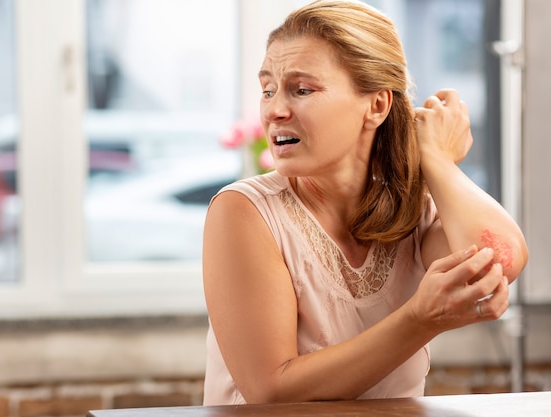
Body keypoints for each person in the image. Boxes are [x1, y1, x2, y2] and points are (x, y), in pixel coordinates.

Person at [201, 0, 528, 406]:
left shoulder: (412, 213)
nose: (275, 111)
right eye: (268, 90)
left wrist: (438, 162)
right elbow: (271, 391)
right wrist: (420, 321)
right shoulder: (244, 211)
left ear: (376, 105)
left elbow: (501, 259)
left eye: (301, 90)